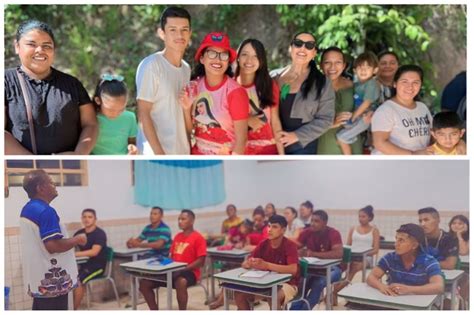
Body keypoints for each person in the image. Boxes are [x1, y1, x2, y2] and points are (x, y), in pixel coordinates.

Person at [5, 20, 97, 155]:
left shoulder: (72, 84)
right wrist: (35, 164)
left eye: (47, 46)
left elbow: (90, 124)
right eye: (31, 44)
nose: (40, 51)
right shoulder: (5, 81)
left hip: (68, 170)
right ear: (17, 47)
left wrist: (78, 155)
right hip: (21, 171)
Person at [19, 169, 87, 310]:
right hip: (53, 282)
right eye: (50, 182)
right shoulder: (46, 211)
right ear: (40, 188)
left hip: (39, 278)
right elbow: (53, 245)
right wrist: (77, 239)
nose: (54, 184)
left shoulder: (28, 209)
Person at [180, 32, 249, 155]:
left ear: (228, 61)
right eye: (212, 53)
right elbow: (190, 131)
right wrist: (186, 109)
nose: (217, 59)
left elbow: (241, 140)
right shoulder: (194, 86)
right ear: (202, 58)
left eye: (223, 55)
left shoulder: (236, 92)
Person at [135, 6, 192, 155]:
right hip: (155, 155)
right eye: (172, 29)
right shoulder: (151, 65)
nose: (180, 35)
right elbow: (143, 113)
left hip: (181, 153)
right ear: (162, 33)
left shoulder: (186, 69)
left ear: (190, 33)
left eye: (184, 29)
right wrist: (160, 154)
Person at [271, 32, 335, 154]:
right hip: (271, 141)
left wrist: (296, 136)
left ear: (314, 53)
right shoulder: (272, 76)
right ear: (291, 48)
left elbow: (326, 119)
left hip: (302, 145)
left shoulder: (322, 82)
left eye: (309, 46)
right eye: (298, 43)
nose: (303, 48)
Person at [140, 209, 207, 310]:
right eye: (179, 219)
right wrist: (163, 265)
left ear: (192, 221)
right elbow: (171, 256)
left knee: (181, 282)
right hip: (173, 271)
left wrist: (183, 269)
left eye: (183, 219)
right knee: (144, 283)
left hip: (190, 272)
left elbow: (201, 261)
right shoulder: (177, 236)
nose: (180, 221)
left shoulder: (198, 238)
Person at [234, 215, 299, 310]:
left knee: (274, 296)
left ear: (283, 230)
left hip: (287, 284)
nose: (270, 229)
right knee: (239, 294)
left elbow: (293, 270)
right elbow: (247, 261)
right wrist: (250, 263)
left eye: (275, 227)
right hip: (265, 283)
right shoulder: (263, 244)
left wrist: (267, 265)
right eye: (269, 226)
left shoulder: (290, 245)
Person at [235, 38, 284, 155]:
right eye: (245, 54)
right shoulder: (229, 86)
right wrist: (246, 120)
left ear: (261, 61)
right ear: (237, 57)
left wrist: (282, 155)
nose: (249, 60)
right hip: (239, 152)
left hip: (268, 151)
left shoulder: (269, 85)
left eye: (255, 56)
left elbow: (275, 122)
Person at [367, 224, 443, 298]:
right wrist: (381, 286)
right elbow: (371, 277)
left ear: (414, 245)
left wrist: (409, 289)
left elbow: (438, 287)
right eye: (396, 239)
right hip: (394, 300)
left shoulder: (429, 262)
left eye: (401, 240)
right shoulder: (390, 257)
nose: (396, 244)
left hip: (418, 304)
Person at [371, 65, 432, 155]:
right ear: (395, 83)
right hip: (391, 165)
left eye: (415, 82)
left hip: (417, 164)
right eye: (404, 82)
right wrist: (413, 155)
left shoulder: (422, 107)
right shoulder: (385, 110)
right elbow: (380, 143)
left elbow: (435, 133)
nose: (410, 87)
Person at [291, 210, 343, 310]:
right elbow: (297, 246)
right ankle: (294, 310)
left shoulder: (333, 233)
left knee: (318, 283)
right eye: (312, 221)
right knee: (301, 282)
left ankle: (304, 310)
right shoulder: (307, 232)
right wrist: (298, 251)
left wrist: (313, 254)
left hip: (334, 269)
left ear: (325, 222)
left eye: (316, 221)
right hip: (313, 269)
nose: (312, 224)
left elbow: (338, 254)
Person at [317, 46, 363, 154]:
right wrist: (332, 123)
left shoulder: (354, 87)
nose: (333, 67)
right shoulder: (313, 89)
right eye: (328, 62)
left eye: (338, 62)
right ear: (321, 65)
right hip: (327, 145)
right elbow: (307, 122)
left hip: (352, 144)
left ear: (344, 66)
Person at [336, 51, 380, 155]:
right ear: (355, 70)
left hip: (365, 117)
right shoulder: (357, 84)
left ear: (375, 70)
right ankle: (351, 137)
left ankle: (349, 160)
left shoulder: (371, 84)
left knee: (341, 137)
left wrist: (353, 116)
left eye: (368, 67)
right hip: (360, 116)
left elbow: (366, 103)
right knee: (344, 128)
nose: (363, 70)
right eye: (360, 67)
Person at [334, 205, 380, 296]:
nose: (360, 218)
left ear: (370, 217)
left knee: (354, 266)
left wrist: (362, 254)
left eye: (363, 216)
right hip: (353, 256)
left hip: (366, 258)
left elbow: (375, 249)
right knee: (339, 267)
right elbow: (348, 245)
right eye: (359, 216)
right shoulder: (353, 229)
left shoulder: (374, 230)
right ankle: (335, 292)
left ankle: (333, 293)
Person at [91, 74, 138, 155]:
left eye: (121, 109)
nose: (116, 114)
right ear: (98, 100)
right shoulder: (91, 118)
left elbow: (132, 142)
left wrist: (132, 148)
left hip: (122, 163)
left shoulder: (130, 117)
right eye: (111, 110)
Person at [73, 209, 108, 310]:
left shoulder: (100, 234)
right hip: (84, 265)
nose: (86, 219)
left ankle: (73, 309)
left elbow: (94, 252)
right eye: (84, 217)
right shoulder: (79, 233)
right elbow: (71, 246)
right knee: (68, 280)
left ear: (95, 219)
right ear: (81, 219)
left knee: (79, 280)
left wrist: (75, 254)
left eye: (90, 217)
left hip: (98, 266)